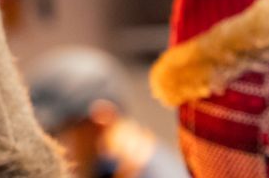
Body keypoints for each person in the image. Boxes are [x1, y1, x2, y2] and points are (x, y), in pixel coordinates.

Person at [28, 48, 187, 178]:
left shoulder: (157, 173)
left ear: (100, 121)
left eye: (54, 135)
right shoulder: (115, 170)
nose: (53, 151)